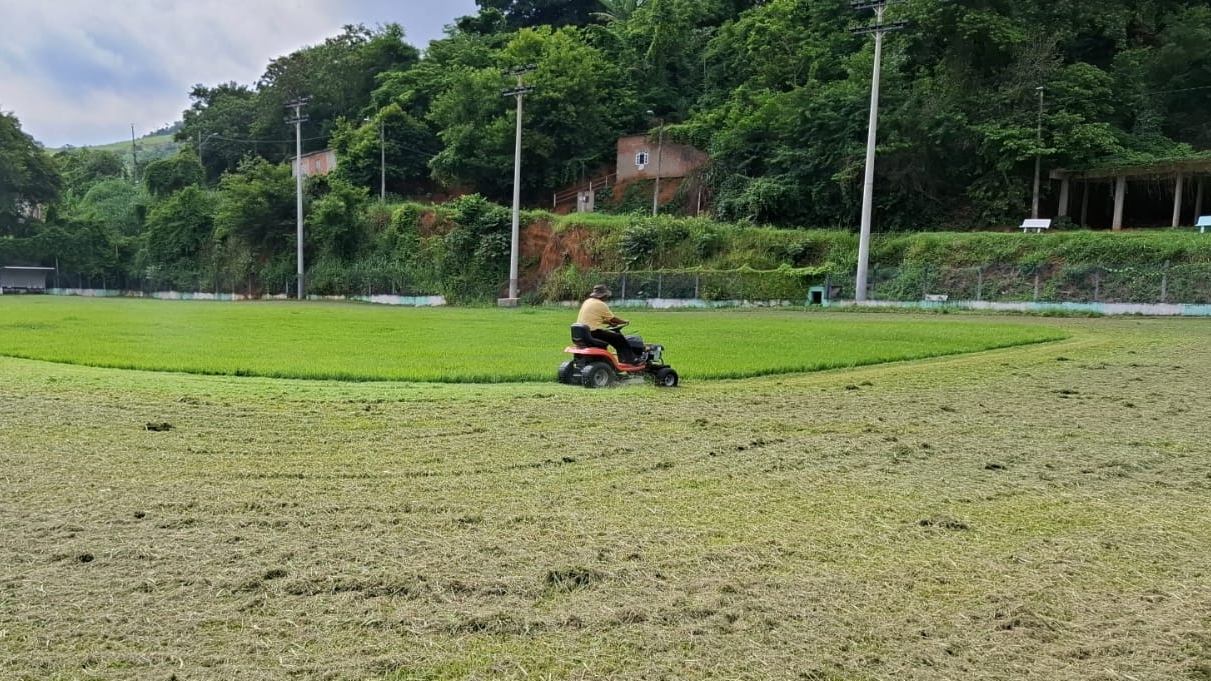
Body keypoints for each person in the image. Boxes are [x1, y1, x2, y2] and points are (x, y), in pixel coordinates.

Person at [576, 284, 640, 364]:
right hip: (593, 332)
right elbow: (613, 318)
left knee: (611, 336)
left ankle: (612, 362)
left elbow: (595, 318)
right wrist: (624, 322)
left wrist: (609, 322)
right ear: (603, 295)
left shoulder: (587, 302)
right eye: (606, 296)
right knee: (619, 338)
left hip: (582, 333)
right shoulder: (600, 304)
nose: (607, 298)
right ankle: (631, 359)